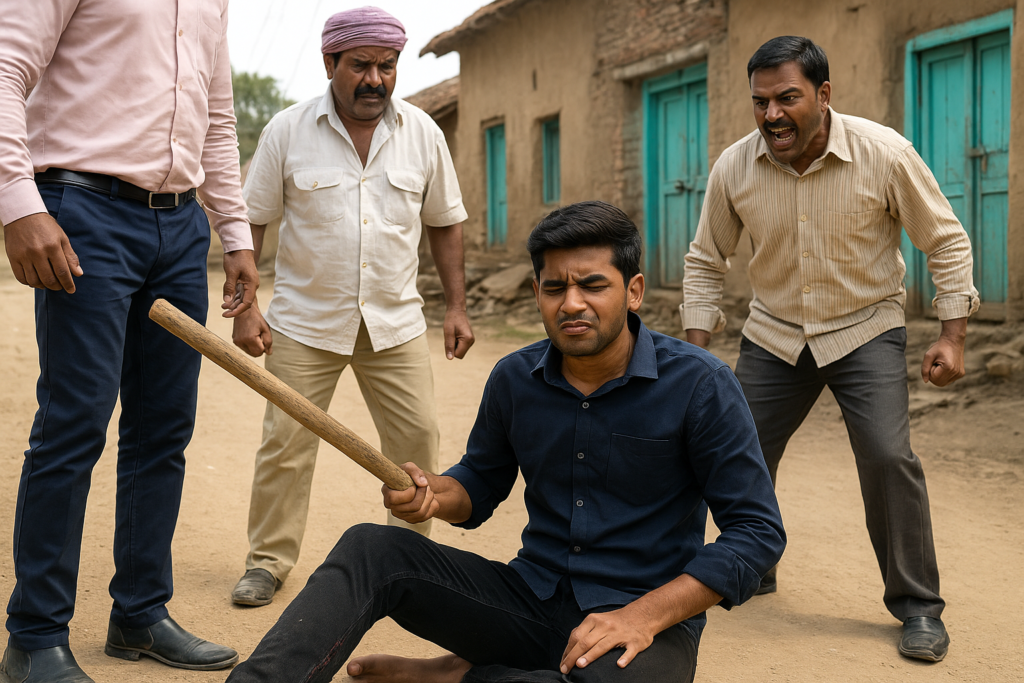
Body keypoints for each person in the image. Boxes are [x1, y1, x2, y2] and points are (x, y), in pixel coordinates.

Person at [225, 200, 786, 683]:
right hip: (530, 600)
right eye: (554, 287)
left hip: (639, 624)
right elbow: (480, 483)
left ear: (634, 290)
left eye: (593, 285)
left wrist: (643, 616)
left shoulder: (699, 384)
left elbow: (757, 532)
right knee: (371, 550)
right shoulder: (516, 379)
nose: (572, 304)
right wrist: (435, 494)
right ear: (538, 291)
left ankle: (461, 672)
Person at [682, 36, 979, 663]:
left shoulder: (884, 153)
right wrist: (697, 352)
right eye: (760, 102)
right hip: (775, 331)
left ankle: (918, 607)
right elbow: (707, 262)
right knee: (732, 453)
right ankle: (751, 560)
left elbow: (945, 242)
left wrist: (952, 336)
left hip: (863, 325)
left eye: (787, 98)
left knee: (887, 456)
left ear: (822, 95)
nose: (771, 116)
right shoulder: (734, 167)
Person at [0, 1, 258, 681]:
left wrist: (234, 232)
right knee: (74, 422)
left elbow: (219, 117)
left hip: (178, 229)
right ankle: (33, 637)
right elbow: (4, 67)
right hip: (82, 211)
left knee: (164, 429)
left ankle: (140, 613)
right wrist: (18, 201)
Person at [228, 6, 473, 609]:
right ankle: (267, 561)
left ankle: (409, 562)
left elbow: (444, 223)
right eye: (360, 65)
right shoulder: (286, 130)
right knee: (285, 442)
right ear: (330, 64)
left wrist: (458, 307)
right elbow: (251, 221)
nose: (375, 79)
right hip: (305, 323)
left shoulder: (423, 133)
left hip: (396, 322)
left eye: (386, 66)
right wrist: (245, 307)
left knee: (417, 440)